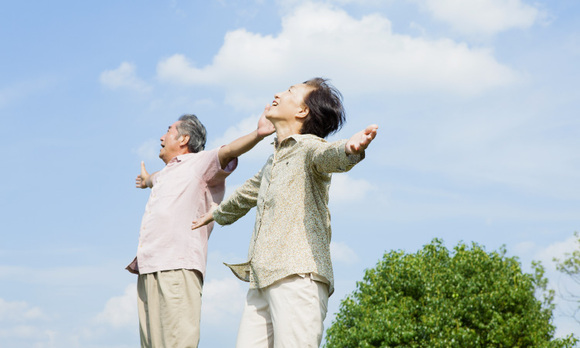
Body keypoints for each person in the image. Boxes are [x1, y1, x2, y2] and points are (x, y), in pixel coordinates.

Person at [191, 77, 378, 348]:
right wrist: (216, 213)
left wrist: (350, 150)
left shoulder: (309, 147)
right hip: (261, 281)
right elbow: (246, 194)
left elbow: (329, 155)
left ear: (302, 111)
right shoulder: (273, 160)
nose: (278, 93)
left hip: (298, 276)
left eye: (290, 91)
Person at [126, 110, 275, 348]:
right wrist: (146, 181)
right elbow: (156, 178)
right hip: (148, 266)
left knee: (177, 342)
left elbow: (227, 152)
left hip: (177, 265)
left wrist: (257, 135)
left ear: (184, 139)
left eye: (168, 131)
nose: (162, 137)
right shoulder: (166, 173)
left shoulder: (199, 163)